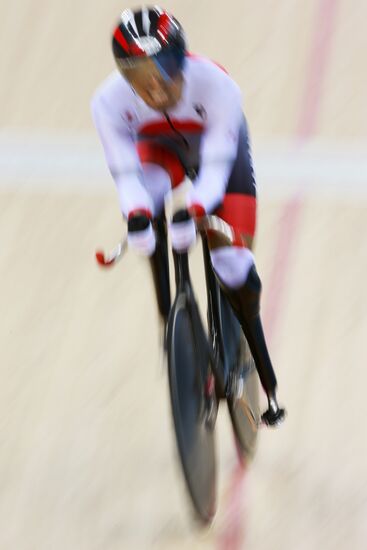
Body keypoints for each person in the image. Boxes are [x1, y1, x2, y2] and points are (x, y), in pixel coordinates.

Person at [91, 6, 285, 426]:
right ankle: (169, 317)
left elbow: (215, 168)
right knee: (147, 221)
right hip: (161, 155)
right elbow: (126, 175)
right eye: (138, 79)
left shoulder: (218, 86)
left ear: (182, 58)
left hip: (219, 159)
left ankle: (265, 374)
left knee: (232, 262)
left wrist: (197, 209)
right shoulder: (107, 103)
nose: (155, 90)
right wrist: (138, 214)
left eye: (162, 71)